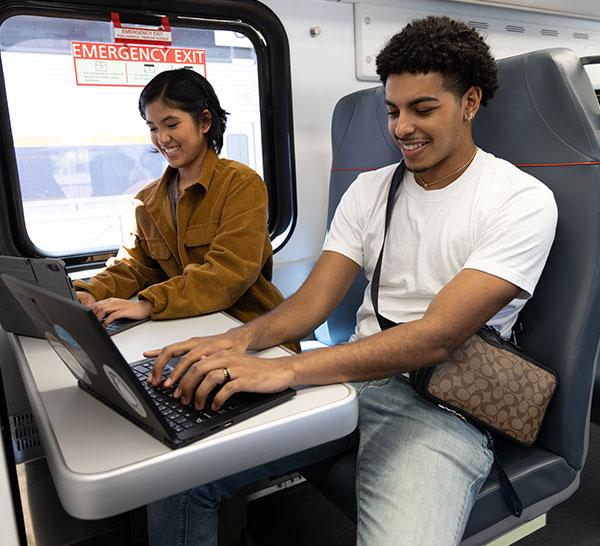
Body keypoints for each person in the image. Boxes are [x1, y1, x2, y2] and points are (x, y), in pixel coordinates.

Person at [144, 16, 558, 546]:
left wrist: (286, 371)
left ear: (470, 103)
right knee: (180, 478)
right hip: (355, 377)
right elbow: (314, 301)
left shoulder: (520, 200)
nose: (402, 127)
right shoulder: (370, 190)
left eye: (423, 109)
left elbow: (437, 337)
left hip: (442, 406)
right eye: (393, 110)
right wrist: (234, 341)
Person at [73, 69, 285, 328]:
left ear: (204, 121)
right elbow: (133, 266)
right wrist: (91, 291)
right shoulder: (146, 201)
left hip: (249, 327)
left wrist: (149, 304)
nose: (162, 139)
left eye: (172, 125)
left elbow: (228, 274)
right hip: (186, 325)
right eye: (153, 128)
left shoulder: (240, 184)